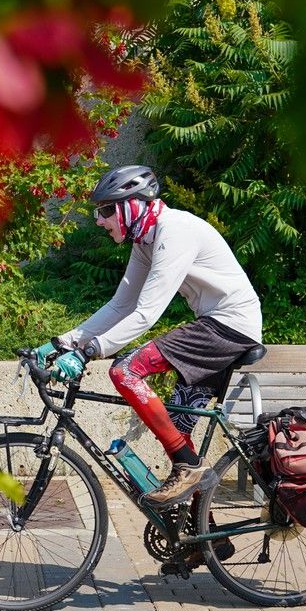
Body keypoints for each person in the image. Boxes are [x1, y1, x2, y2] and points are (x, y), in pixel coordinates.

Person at [32, 165, 263, 512]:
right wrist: (63, 342)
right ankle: (205, 539)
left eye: (106, 209)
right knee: (177, 430)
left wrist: (90, 352)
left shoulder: (175, 231)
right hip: (216, 326)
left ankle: (188, 467)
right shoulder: (146, 240)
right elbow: (121, 304)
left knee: (125, 371)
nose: (99, 219)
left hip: (229, 326)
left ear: (134, 205)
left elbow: (146, 313)